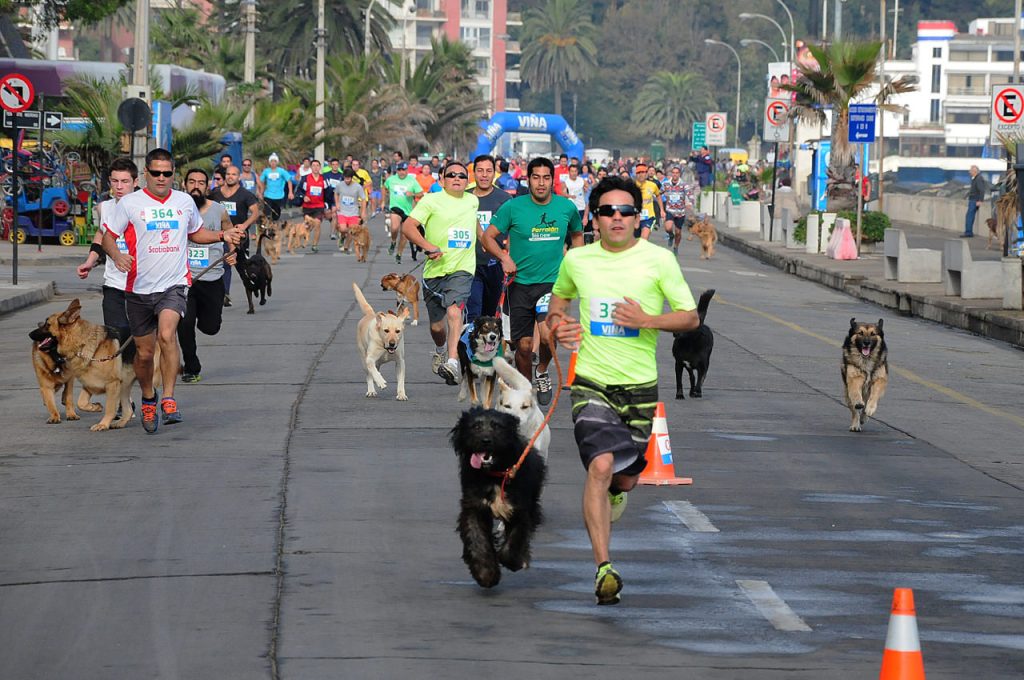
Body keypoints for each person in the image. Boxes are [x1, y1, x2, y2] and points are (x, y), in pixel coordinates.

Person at [547, 175, 699, 605]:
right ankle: (603, 569)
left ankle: (616, 490)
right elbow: (556, 308)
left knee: (625, 480)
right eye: (608, 211)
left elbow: (690, 317)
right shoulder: (577, 260)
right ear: (593, 218)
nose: (617, 218)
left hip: (640, 387)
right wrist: (558, 326)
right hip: (591, 381)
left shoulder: (659, 261)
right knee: (599, 466)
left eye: (626, 211)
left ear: (637, 218)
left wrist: (646, 321)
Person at [102, 148, 244, 434]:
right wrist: (117, 257)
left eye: (168, 173)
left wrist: (221, 235)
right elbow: (108, 236)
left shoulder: (183, 202)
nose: (162, 178)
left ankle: (168, 398)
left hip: (174, 284)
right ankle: (148, 397)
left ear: (173, 174)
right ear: (147, 174)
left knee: (167, 335)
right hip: (139, 287)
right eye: (156, 173)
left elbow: (195, 233)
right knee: (143, 354)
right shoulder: (130, 203)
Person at [480, 157, 584, 406]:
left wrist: (574, 262)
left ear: (552, 180)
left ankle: (543, 371)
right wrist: (504, 257)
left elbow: (578, 235)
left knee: (549, 334)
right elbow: (488, 237)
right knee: (524, 348)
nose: (541, 183)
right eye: (535, 177)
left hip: (553, 283)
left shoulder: (566, 208)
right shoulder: (513, 207)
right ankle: (526, 391)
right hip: (519, 283)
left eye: (546, 178)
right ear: (528, 179)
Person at [400, 160, 481, 386]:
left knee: (455, 312)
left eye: (462, 176)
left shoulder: (472, 200)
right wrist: (427, 246)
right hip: (435, 270)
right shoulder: (431, 200)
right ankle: (441, 349)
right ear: (442, 179)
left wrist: (488, 243)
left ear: (467, 181)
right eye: (452, 175)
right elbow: (408, 227)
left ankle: (453, 362)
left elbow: (474, 226)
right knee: (437, 327)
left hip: (462, 268)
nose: (457, 178)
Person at [178, 168, 236, 383]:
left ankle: (206, 320)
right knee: (185, 325)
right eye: (191, 181)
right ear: (185, 184)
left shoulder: (218, 210)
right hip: (184, 279)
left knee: (210, 327)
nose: (196, 186)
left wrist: (232, 252)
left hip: (212, 277)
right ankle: (191, 367)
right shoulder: (178, 209)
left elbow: (230, 232)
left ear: (207, 185)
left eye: (200, 182)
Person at [76, 157, 139, 349]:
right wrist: (90, 261)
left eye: (125, 181)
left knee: (143, 342)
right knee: (117, 336)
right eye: (115, 181)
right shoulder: (105, 207)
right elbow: (100, 234)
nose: (119, 186)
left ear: (135, 182)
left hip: (142, 286)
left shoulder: (145, 208)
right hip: (114, 283)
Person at [467, 154, 512, 323]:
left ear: (495, 173)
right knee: (473, 312)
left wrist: (509, 255)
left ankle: (486, 348)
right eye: (480, 171)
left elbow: (513, 231)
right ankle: (468, 348)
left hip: (495, 266)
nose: (484, 175)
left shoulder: (505, 200)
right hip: (470, 264)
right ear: (474, 173)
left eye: (488, 171)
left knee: (490, 314)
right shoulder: (465, 198)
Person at [209, 165, 260, 308]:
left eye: (234, 174)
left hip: (238, 237)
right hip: (219, 236)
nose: (230, 176)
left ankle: (252, 288)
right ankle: (225, 294)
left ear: (239, 177)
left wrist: (244, 225)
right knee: (225, 263)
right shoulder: (215, 193)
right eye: (228, 174)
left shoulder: (245, 194)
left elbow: (255, 213)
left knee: (243, 268)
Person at [383, 161, 424, 263]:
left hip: (407, 210)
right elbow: (384, 188)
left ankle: (399, 254)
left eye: (403, 170)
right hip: (395, 208)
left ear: (407, 170)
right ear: (397, 171)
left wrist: (413, 194)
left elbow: (421, 193)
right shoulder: (391, 180)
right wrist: (383, 201)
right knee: (394, 227)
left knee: (404, 234)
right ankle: (393, 242)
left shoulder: (412, 181)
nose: (401, 172)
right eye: (399, 170)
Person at [334, 168, 367, 253]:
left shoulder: (357, 187)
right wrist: (337, 203)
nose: (346, 180)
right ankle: (342, 237)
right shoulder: (340, 185)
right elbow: (336, 193)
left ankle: (346, 246)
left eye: (348, 178)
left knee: (352, 231)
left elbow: (363, 199)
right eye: (345, 178)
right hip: (342, 211)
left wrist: (363, 212)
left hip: (353, 212)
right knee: (343, 229)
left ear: (351, 178)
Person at [297, 159, 327, 252]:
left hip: (319, 206)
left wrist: (328, 205)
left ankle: (314, 245)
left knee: (317, 224)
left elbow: (328, 193)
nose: (315, 167)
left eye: (317, 165)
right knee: (308, 226)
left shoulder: (324, 179)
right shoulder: (305, 178)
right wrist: (304, 196)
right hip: (307, 207)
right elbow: (299, 191)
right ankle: (301, 237)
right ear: (311, 167)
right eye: (313, 165)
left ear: (320, 167)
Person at [660, 165, 689, 255]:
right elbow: (658, 193)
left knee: (678, 232)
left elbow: (689, 194)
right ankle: (670, 235)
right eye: (674, 173)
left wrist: (690, 203)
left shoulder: (684, 185)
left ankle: (676, 246)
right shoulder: (666, 184)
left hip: (680, 212)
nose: (675, 174)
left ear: (679, 174)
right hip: (670, 210)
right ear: (671, 174)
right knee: (668, 227)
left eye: (677, 173)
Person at [260, 153, 294, 227]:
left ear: (277, 162)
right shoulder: (266, 171)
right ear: (269, 162)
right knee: (267, 213)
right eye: (271, 161)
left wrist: (290, 192)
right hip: (268, 195)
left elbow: (289, 181)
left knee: (276, 215)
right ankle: (266, 228)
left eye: (274, 161)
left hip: (279, 196)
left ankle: (273, 227)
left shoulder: (281, 171)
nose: (273, 163)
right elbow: (261, 181)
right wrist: (260, 192)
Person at [633, 164, 660, 240]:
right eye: (639, 172)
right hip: (634, 218)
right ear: (636, 174)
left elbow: (658, 195)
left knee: (644, 239)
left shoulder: (653, 185)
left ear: (646, 173)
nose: (641, 174)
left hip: (648, 217)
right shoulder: (631, 185)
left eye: (643, 172)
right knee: (635, 241)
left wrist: (662, 210)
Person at [963, 165, 986, 238]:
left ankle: (968, 232)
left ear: (974, 171)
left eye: (970, 170)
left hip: (974, 200)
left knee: (969, 216)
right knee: (969, 216)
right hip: (973, 199)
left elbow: (981, 190)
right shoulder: (975, 178)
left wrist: (980, 200)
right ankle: (968, 231)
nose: (969, 172)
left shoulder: (978, 178)